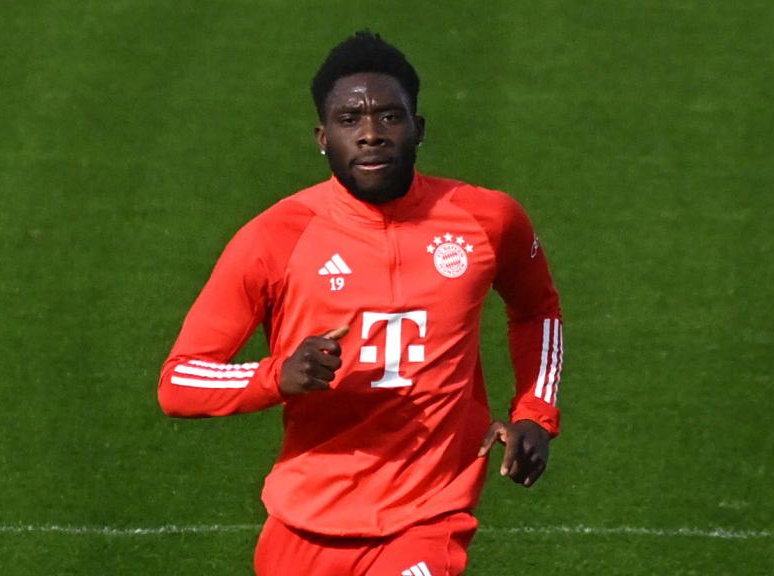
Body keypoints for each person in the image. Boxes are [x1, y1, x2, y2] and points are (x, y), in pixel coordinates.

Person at [158, 31, 563, 576]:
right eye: (350, 120)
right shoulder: (275, 238)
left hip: (428, 516)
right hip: (305, 522)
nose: (371, 134)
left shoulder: (488, 220)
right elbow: (180, 381)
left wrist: (535, 413)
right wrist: (278, 375)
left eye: (389, 117)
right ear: (323, 138)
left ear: (419, 129)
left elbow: (537, 309)